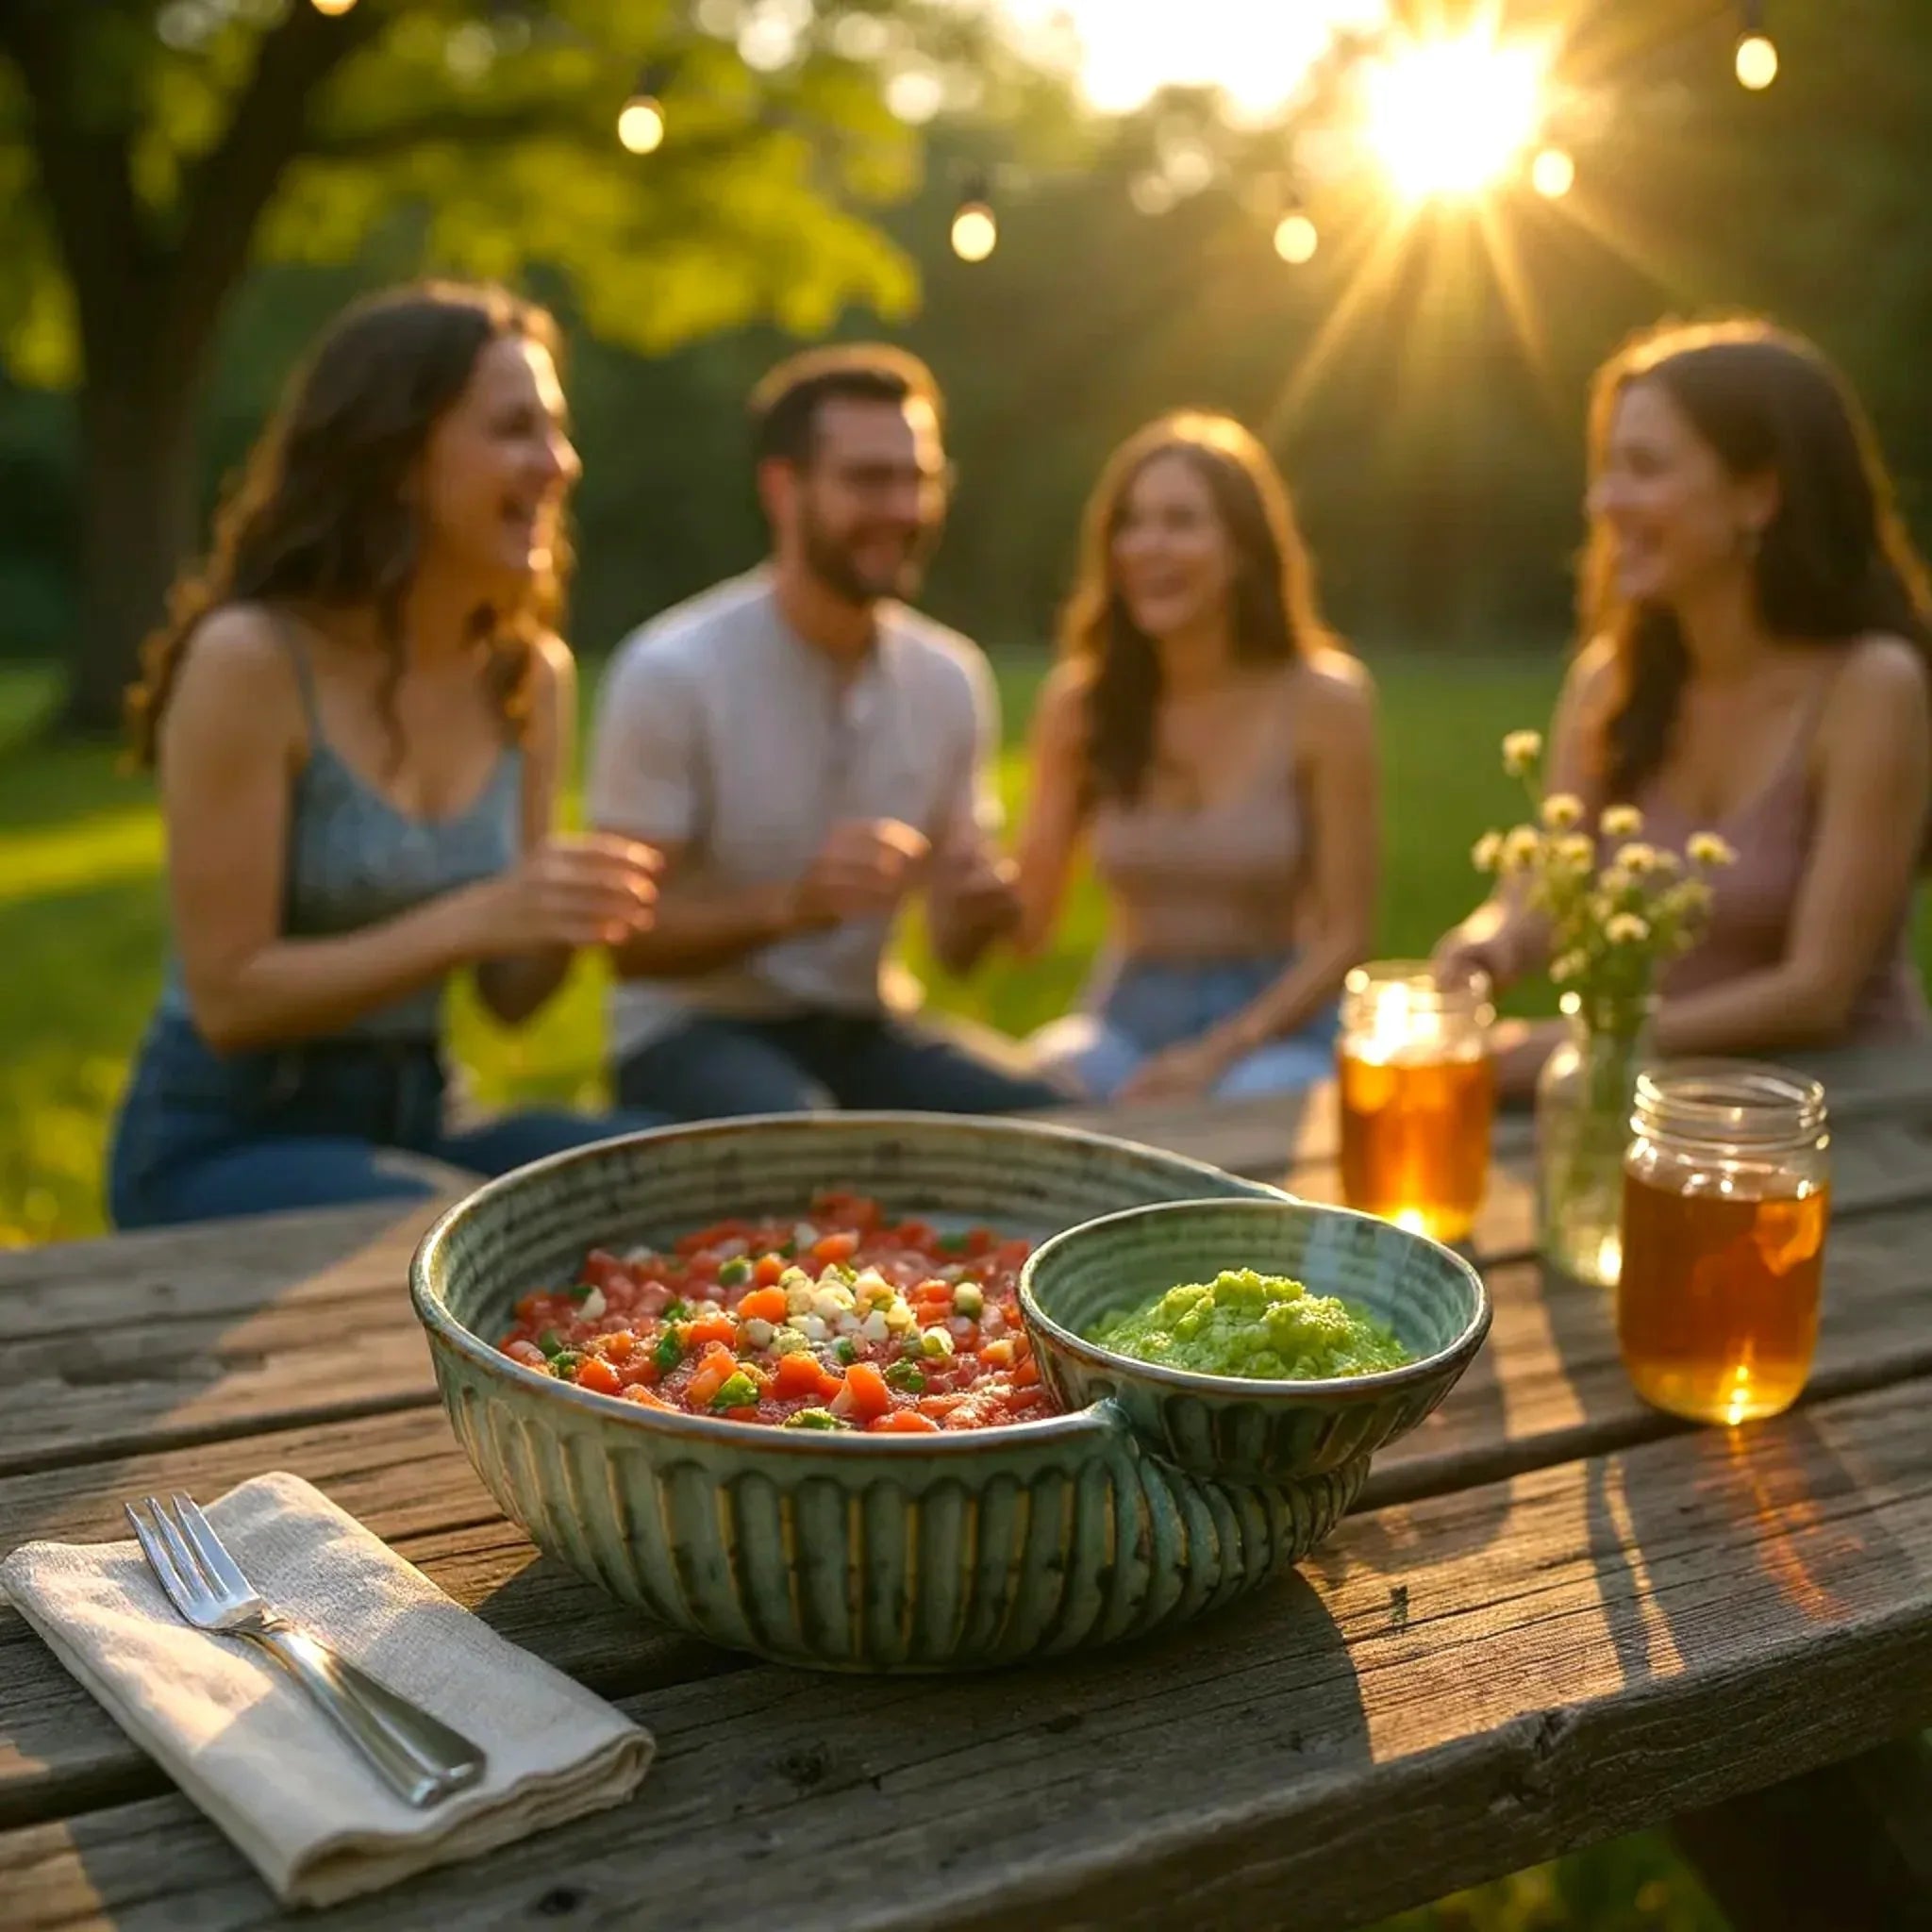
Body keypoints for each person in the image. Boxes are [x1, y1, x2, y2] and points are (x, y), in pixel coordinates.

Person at [108, 282, 665, 1229]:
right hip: (226, 1135)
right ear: (400, 455)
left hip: (422, 1113)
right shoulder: (252, 659)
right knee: (460, 1236)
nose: (559, 462)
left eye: (558, 428)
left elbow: (509, 998)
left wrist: (569, 911)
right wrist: (477, 914)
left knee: (664, 1176)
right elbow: (228, 997)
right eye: (514, 428)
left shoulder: (528, 674)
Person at [1436, 319, 1932, 1094]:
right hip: (1659, 1112)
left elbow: (1818, 991)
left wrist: (1588, 1043)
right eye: (1606, 468)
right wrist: (1485, 949)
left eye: (1643, 468)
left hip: (1853, 1114)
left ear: (1758, 493)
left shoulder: (1872, 686)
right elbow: (1532, 898)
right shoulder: (1613, 679)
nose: (1606, 501)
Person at [589, 343, 1064, 1118]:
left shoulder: (948, 677)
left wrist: (978, 907)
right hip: (688, 1033)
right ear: (783, 489)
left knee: (1061, 1126)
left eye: (920, 479)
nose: (904, 510)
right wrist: (795, 905)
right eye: (871, 480)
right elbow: (625, 944)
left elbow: (955, 954)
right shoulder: (674, 670)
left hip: (865, 1028)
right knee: (807, 1140)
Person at [1013, 411, 1380, 1102]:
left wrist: (1214, 1057)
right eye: (1132, 523)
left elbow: (1346, 938)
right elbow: (1028, 927)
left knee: (1256, 1100)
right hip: (1126, 1019)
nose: (1148, 546)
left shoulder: (1326, 701)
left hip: (1275, 1027)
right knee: (1039, 1082)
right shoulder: (1080, 705)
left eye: (1181, 522)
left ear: (1243, 550)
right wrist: (964, 883)